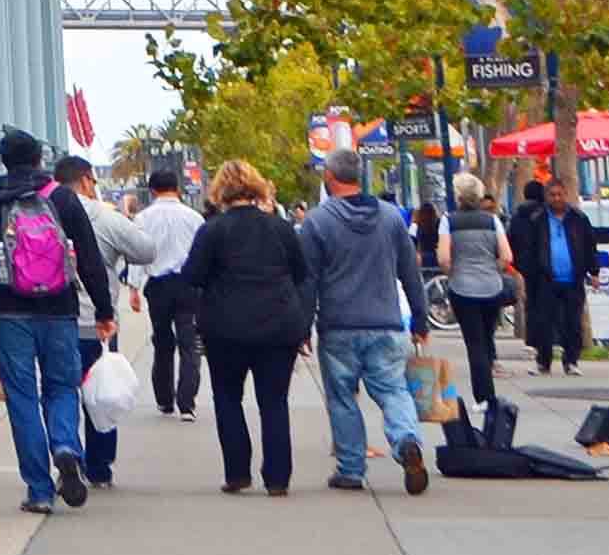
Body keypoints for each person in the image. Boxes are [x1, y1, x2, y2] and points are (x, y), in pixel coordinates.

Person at [0, 128, 114, 513]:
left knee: (22, 398)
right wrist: (103, 310)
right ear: (39, 160)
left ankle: (39, 490)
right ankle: (66, 446)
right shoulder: (62, 198)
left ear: (4, 161)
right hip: (59, 309)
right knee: (62, 387)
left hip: (9, 312)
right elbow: (89, 258)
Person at [292, 150, 433, 495]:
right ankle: (406, 441)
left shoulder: (317, 221)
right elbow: (410, 272)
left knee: (342, 397)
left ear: (329, 177)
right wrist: (420, 317)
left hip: (339, 324)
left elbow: (307, 280)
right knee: (393, 390)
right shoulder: (389, 218)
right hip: (385, 322)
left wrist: (302, 326)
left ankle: (351, 469)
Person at [189, 162, 308, 496]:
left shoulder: (213, 230)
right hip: (279, 323)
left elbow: (193, 275)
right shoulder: (281, 229)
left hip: (226, 326)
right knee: (274, 401)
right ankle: (277, 477)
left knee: (228, 398)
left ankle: (237, 472)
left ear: (220, 191)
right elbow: (300, 273)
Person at [53, 154, 131, 483]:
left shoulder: (44, 208)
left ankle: (67, 449)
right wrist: (105, 310)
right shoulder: (104, 216)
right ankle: (100, 467)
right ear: (86, 180)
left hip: (56, 316)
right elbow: (145, 250)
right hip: (95, 322)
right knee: (100, 390)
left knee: (61, 389)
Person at [130, 161, 208, 416]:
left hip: (159, 285)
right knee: (189, 343)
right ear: (178, 189)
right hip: (188, 284)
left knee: (162, 342)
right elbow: (202, 256)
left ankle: (164, 398)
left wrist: (133, 287)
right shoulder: (194, 217)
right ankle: (187, 402)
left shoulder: (142, 218)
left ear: (152, 190)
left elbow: (137, 253)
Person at [508, 177, 600, 376]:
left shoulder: (578, 218)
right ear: (546, 197)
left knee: (572, 322)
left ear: (566, 195)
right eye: (552, 195)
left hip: (572, 278)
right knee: (544, 321)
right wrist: (527, 272)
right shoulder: (537, 219)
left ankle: (571, 360)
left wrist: (594, 272)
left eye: (560, 194)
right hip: (545, 278)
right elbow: (528, 248)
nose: (556, 198)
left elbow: (589, 246)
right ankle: (544, 361)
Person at [437, 171, 511, 406]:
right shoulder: (493, 221)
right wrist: (494, 269)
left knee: (474, 343)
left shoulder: (449, 221)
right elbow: (507, 256)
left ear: (458, 196)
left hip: (463, 288)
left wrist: (453, 273)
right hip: (491, 286)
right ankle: (488, 388)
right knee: (487, 338)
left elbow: (444, 259)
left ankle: (484, 396)